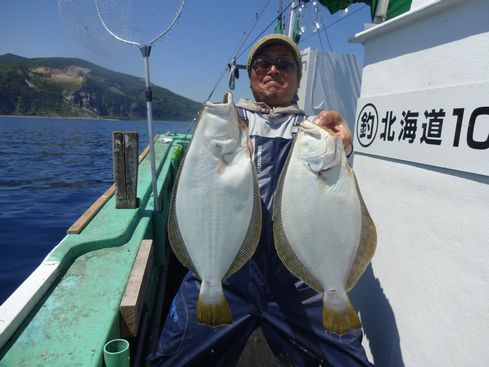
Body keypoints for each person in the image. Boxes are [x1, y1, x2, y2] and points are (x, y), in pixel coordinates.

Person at [147, 34, 372, 367]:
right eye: (263, 64)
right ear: (250, 73)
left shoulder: (313, 128)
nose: (273, 70)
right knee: (170, 360)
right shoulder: (229, 122)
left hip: (297, 279)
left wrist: (343, 148)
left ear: (298, 75)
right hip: (227, 270)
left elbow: (334, 197)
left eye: (284, 64)